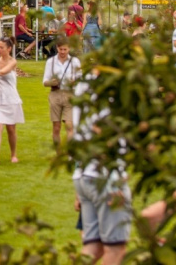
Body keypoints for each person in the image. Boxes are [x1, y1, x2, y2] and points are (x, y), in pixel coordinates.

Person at [72, 71, 131, 265]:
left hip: (84, 174)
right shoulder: (116, 84)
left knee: (93, 247)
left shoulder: (84, 82)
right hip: (105, 175)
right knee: (115, 249)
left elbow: (77, 132)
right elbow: (102, 131)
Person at [41, 37, 81, 147]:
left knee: (69, 125)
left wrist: (75, 81)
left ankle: (69, 154)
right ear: (57, 48)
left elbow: (81, 78)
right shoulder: (51, 62)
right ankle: (58, 153)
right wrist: (51, 82)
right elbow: (44, 82)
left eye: (65, 49)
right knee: (56, 126)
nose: (62, 52)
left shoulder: (75, 61)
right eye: (60, 49)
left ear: (69, 49)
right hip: (55, 94)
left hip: (70, 94)